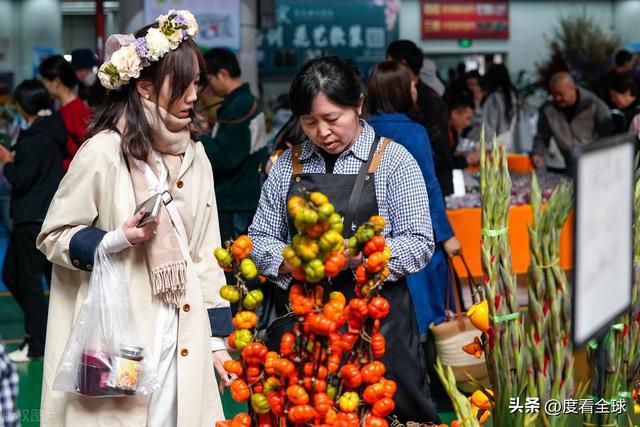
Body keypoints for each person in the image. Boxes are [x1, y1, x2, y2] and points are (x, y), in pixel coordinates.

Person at [36, 11, 233, 425]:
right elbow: (53, 235)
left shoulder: (195, 156)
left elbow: (205, 252)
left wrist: (216, 339)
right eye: (182, 85)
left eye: (197, 82)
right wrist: (114, 240)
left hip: (183, 330)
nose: (194, 95)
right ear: (144, 85)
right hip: (118, 332)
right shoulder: (104, 150)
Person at [249, 55, 440, 424]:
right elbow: (257, 239)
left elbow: (419, 242)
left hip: (378, 329)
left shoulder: (394, 161)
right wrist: (292, 259)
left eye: (332, 119)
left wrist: (362, 256)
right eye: (309, 122)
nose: (322, 132)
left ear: (359, 105)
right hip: (303, 328)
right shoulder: (288, 165)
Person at [367, 60, 461, 335]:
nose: (416, 90)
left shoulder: (365, 130)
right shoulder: (413, 132)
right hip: (414, 230)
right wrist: (445, 234)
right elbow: (430, 187)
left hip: (380, 234)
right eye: (411, 85)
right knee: (427, 311)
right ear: (399, 90)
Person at [0, 80, 65, 363]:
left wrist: (6, 161)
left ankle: (37, 341)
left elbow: (21, 178)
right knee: (20, 276)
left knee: (26, 280)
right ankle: (43, 333)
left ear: (23, 106)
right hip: (44, 214)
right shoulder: (51, 131)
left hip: (31, 217)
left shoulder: (34, 138)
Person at [199, 48, 267, 243]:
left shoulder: (238, 106)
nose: (208, 88)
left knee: (234, 267)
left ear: (222, 74)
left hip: (235, 200)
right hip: (244, 196)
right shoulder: (247, 100)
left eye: (209, 79)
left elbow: (226, 157)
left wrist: (198, 137)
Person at [386, 40, 454, 197]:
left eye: (390, 64)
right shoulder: (400, 97)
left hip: (429, 186)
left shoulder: (430, 100)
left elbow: (440, 151)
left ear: (402, 64)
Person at [532, 72, 613, 172]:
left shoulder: (595, 105)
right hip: (569, 165)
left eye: (561, 94)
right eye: (554, 94)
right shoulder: (548, 110)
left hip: (596, 163)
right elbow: (542, 137)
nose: (557, 98)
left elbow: (608, 137)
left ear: (573, 89)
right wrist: (538, 153)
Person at [39, 55, 92, 172]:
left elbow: (88, 151)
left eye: (45, 82)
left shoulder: (76, 110)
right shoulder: (67, 107)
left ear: (56, 82)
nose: (44, 87)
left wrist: (61, 164)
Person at [447, 92, 480, 178]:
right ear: (455, 114)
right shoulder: (439, 134)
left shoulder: (453, 133)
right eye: (467, 118)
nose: (468, 123)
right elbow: (444, 163)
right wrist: (466, 160)